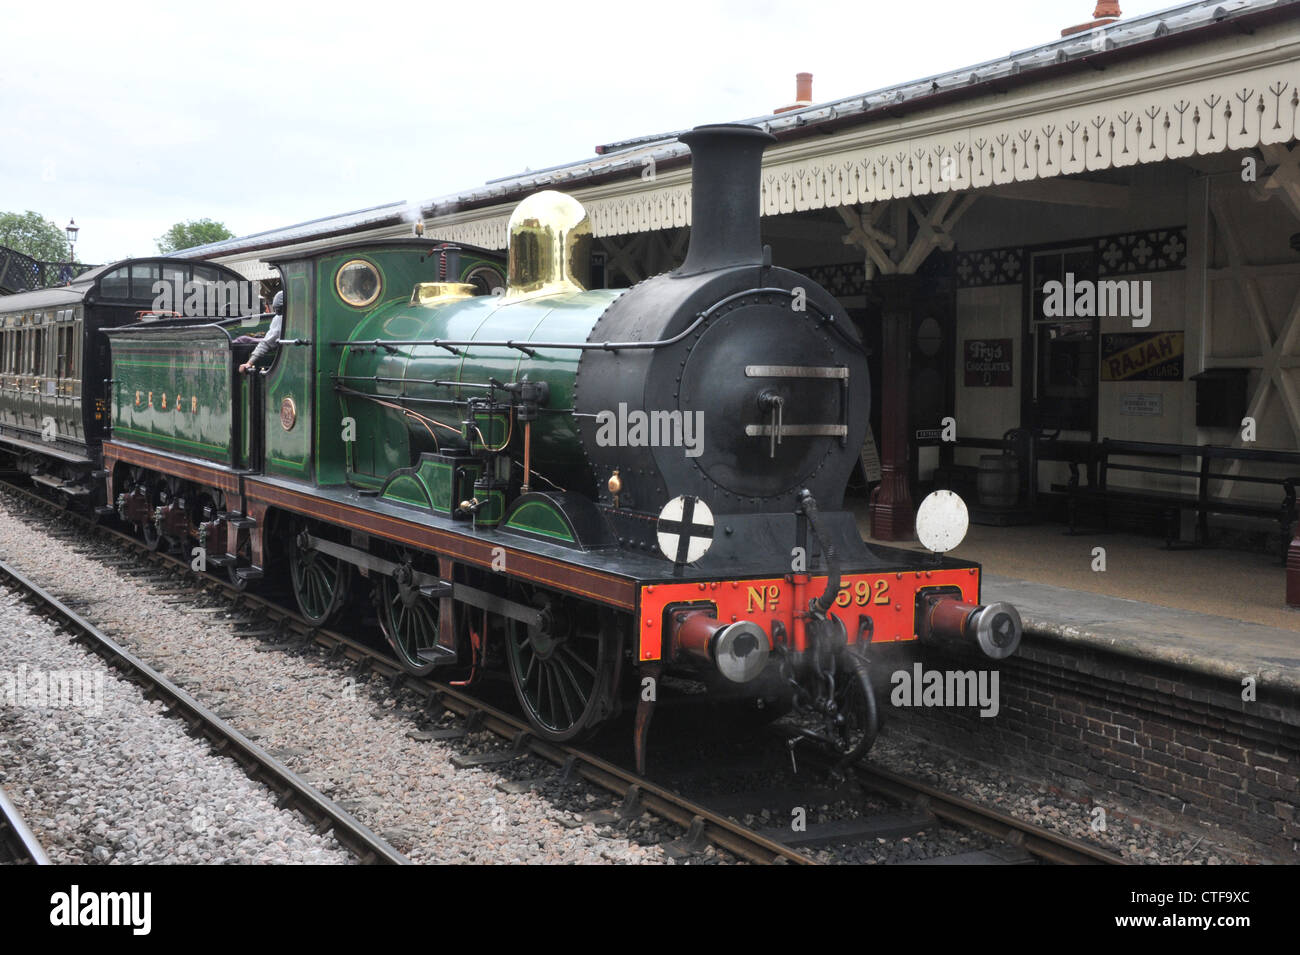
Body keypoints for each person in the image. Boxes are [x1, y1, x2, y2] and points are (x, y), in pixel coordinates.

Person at [239, 290, 283, 373]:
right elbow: (267, 342)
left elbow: (267, 342)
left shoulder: (280, 318)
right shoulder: (279, 318)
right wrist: (250, 362)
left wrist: (249, 362)